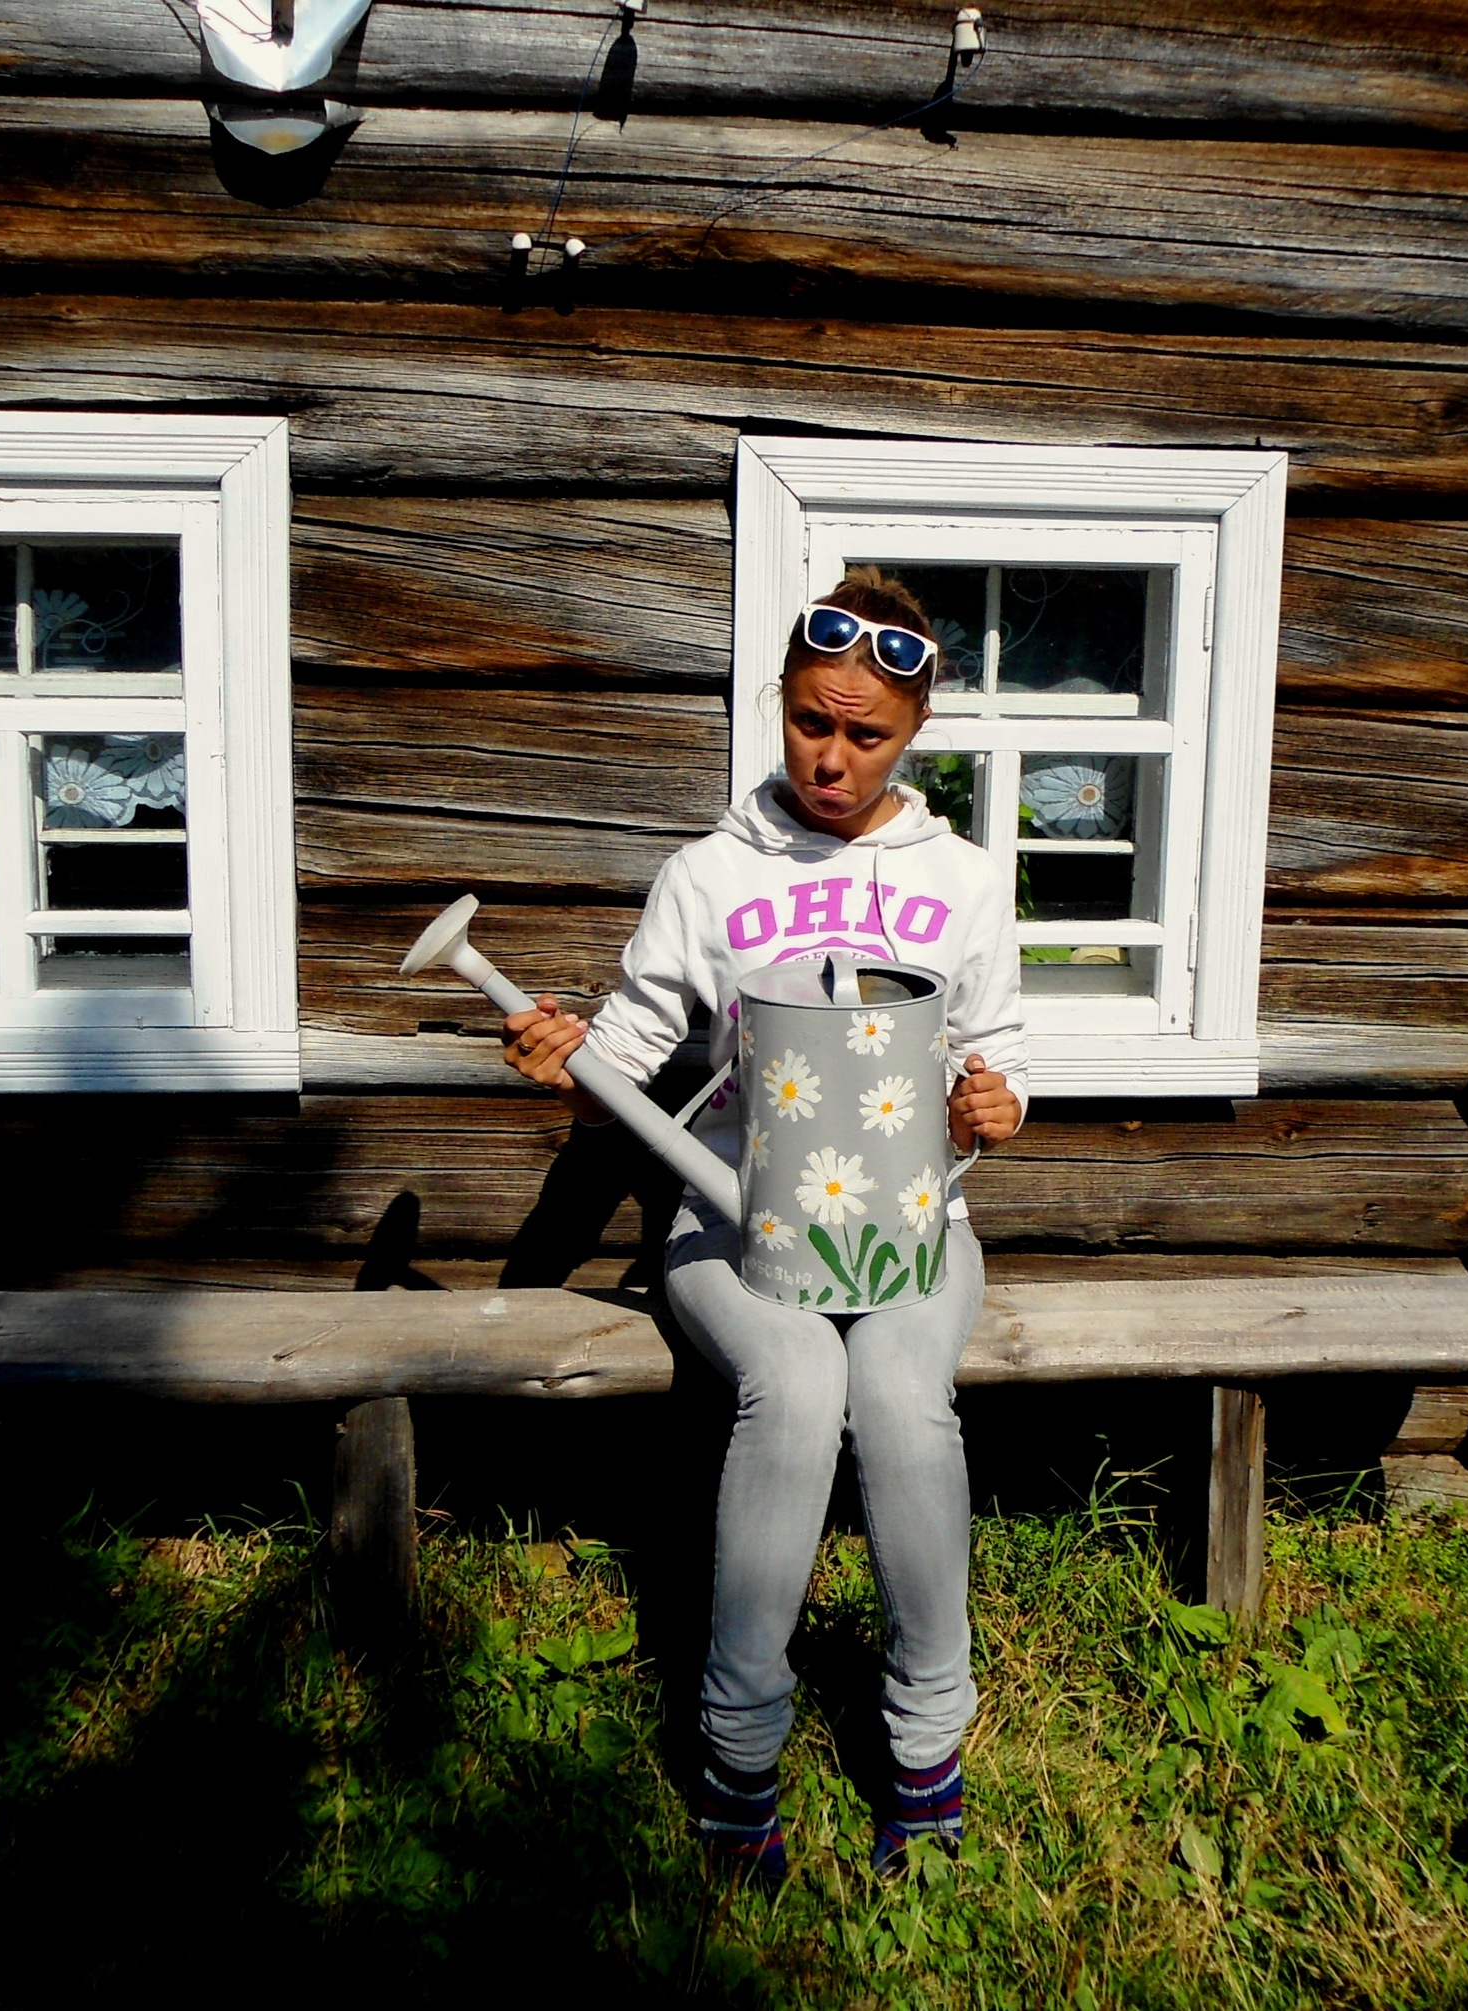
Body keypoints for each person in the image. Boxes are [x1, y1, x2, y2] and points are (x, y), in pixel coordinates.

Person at [499, 567, 1029, 1886]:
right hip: (733, 1217)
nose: (832, 757)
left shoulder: (964, 881)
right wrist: (564, 1056)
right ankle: (738, 1753)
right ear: (780, 702)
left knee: (900, 1399)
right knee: (793, 1388)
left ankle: (926, 1744)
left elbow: (997, 1051)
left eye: (866, 735)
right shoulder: (710, 874)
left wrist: (996, 1102)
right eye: (809, 721)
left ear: (914, 733)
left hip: (914, 1218)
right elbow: (626, 1057)